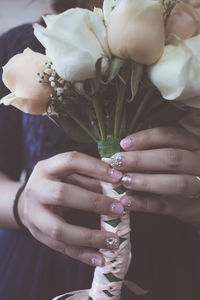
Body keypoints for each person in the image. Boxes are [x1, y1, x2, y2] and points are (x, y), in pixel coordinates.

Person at [0, 0, 200, 299]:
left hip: (175, 267)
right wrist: (21, 204)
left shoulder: (192, 49)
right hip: (46, 266)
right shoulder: (26, 45)